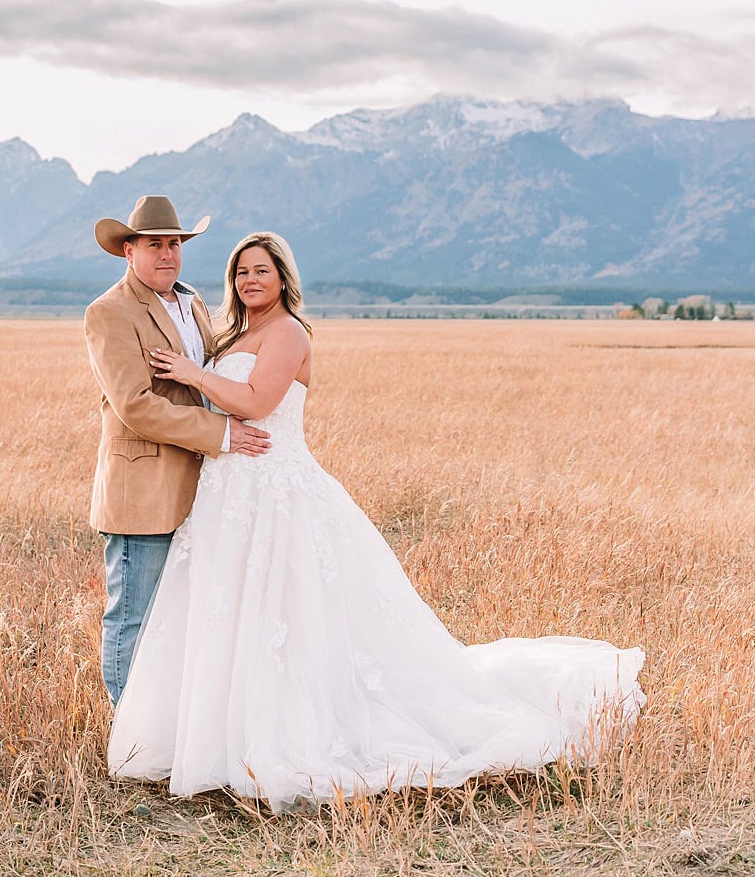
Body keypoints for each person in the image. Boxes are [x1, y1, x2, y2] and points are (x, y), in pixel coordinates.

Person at [108, 232, 645, 810]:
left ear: (283, 278)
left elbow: (258, 402)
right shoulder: (233, 334)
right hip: (228, 494)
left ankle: (288, 736)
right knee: (229, 613)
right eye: (241, 272)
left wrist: (192, 374)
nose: (250, 281)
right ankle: (217, 737)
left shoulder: (288, 332)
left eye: (262, 270)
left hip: (277, 491)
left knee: (289, 615)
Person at [84, 196, 272, 706]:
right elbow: (136, 406)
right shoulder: (110, 312)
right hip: (142, 492)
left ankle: (166, 723)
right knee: (134, 616)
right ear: (129, 251)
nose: (167, 254)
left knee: (180, 617)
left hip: (201, 489)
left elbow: (205, 379)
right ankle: (127, 732)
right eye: (154, 245)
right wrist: (222, 433)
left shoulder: (192, 303)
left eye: (174, 244)